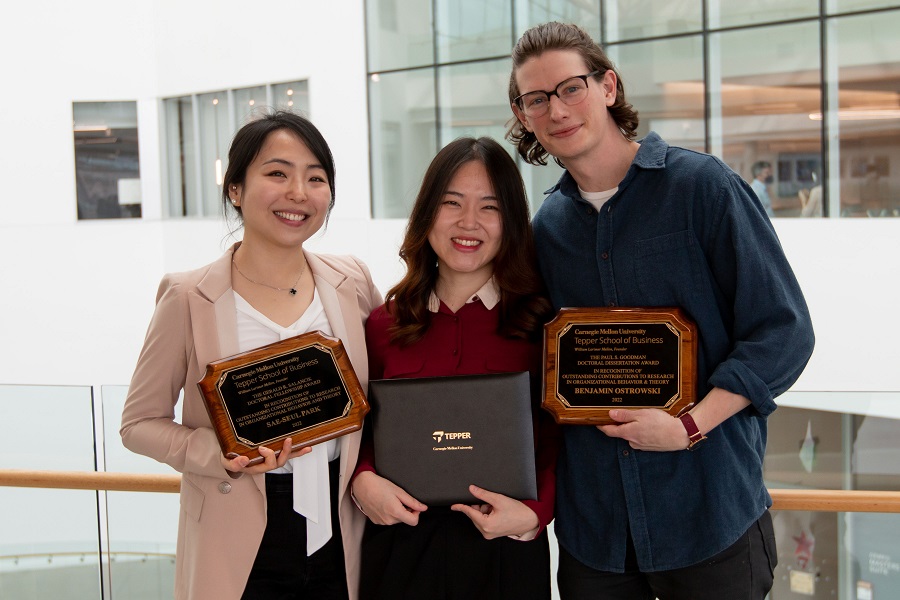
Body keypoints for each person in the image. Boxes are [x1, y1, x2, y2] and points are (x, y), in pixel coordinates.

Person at [506, 22, 815, 600]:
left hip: (709, 518)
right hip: (595, 538)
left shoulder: (704, 189)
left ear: (608, 87)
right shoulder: (546, 230)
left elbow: (783, 332)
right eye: (537, 99)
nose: (557, 109)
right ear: (524, 116)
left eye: (571, 87)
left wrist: (689, 426)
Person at [120, 111, 381, 600]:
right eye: (277, 173)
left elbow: (387, 394)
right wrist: (219, 454)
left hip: (343, 519)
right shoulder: (187, 296)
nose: (299, 193)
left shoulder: (353, 282)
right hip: (236, 527)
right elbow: (138, 423)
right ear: (235, 189)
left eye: (316, 178)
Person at [350, 136, 559, 600]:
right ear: (426, 215)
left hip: (505, 550)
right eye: (452, 203)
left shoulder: (543, 325)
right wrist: (363, 479)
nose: (469, 223)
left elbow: (558, 437)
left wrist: (535, 513)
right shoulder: (384, 323)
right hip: (400, 546)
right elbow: (360, 428)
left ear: (512, 222)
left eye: (490, 207)